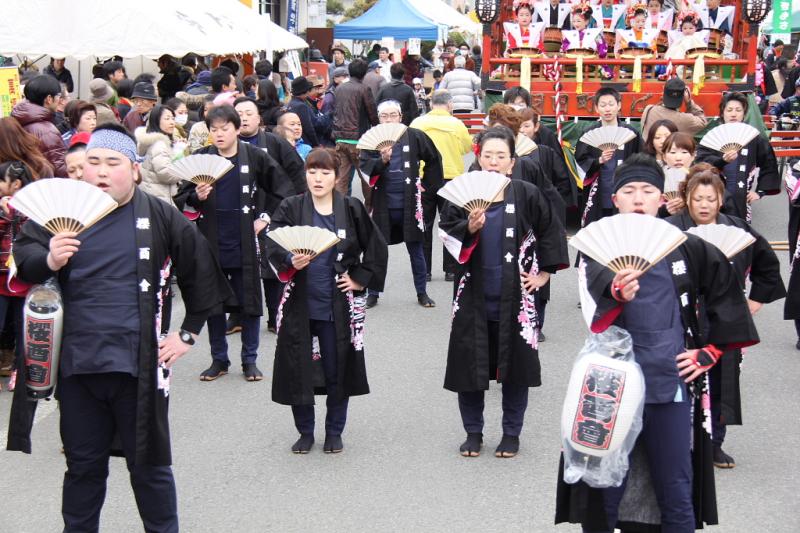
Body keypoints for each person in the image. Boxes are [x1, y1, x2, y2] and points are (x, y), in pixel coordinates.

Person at [8, 123, 232, 533]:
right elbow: (24, 259)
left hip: (139, 365)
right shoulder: (62, 210)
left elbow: (201, 268)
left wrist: (187, 332)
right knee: (82, 468)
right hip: (78, 365)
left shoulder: (159, 213)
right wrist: (51, 260)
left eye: (113, 162)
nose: (101, 171)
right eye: (93, 162)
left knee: (149, 468)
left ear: (134, 170)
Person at [556, 153, 759, 532]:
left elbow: (727, 299)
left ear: (661, 198)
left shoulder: (686, 246)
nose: (638, 198)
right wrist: (617, 289)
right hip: (609, 384)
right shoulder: (599, 246)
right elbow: (595, 294)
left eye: (647, 190)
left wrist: (708, 352)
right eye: (628, 190)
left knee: (675, 486)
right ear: (614, 199)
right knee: (603, 487)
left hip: (669, 380)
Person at [439, 126, 568, 458]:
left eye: (501, 156)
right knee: (470, 368)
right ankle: (473, 432)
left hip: (518, 298)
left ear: (512, 163)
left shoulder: (526, 193)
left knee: (516, 370)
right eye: (488, 155)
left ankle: (511, 433)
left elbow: (551, 230)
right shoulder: (461, 195)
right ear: (478, 158)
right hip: (472, 296)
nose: (494, 162)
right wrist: (468, 227)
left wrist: (544, 274)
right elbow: (447, 239)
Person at [267, 147, 388, 454]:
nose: (318, 179)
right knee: (299, 369)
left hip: (338, 305)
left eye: (325, 172)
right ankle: (305, 432)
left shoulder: (350, 207)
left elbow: (376, 247)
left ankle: (334, 430)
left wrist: (359, 277)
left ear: (337, 176)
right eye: (312, 172)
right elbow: (271, 245)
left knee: (338, 369)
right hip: (300, 303)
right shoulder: (291, 207)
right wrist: (289, 261)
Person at [667, 165, 784, 469]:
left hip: (725, 321)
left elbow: (767, 263)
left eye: (710, 198)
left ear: (721, 200)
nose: (704, 205)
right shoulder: (669, 229)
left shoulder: (738, 229)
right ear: (687, 199)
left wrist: (756, 299)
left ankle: (712, 444)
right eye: (697, 198)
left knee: (722, 383)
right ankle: (677, 443)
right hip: (680, 319)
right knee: (678, 381)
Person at [174, 106, 295, 382]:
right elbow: (181, 199)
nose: (219, 134)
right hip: (210, 240)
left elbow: (283, 190)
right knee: (213, 303)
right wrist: (197, 197)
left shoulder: (253, 156)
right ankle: (219, 359)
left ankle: (249, 360)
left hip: (244, 239)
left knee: (249, 302)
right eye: (213, 129)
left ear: (237, 129)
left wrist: (264, 218)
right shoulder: (201, 158)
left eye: (224, 128)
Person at [358, 100, 443, 309]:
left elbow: (434, 159)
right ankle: (373, 293)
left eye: (392, 115)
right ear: (378, 119)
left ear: (400, 116)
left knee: (417, 247)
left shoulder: (414, 135)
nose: (388, 119)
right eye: (384, 116)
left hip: (410, 202)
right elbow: (366, 169)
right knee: (376, 249)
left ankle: (422, 292)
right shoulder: (371, 140)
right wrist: (383, 160)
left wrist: (426, 186)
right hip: (383, 202)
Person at [410, 90, 473, 281]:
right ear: (450, 105)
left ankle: (426, 270)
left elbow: (411, 149)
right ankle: (451, 269)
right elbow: (466, 148)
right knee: (451, 223)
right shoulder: (456, 124)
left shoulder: (417, 123)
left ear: (431, 105)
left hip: (424, 177)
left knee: (425, 224)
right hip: (450, 177)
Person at [695, 91, 780, 222]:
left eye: (738, 110)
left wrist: (760, 191)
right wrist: (721, 161)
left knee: (741, 234)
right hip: (714, 194)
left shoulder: (753, 137)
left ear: (744, 114)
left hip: (742, 195)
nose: (733, 114)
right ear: (722, 112)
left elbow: (769, 164)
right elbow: (700, 162)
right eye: (729, 110)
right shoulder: (713, 135)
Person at [574, 87, 641, 227]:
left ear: (619, 106)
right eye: (603, 105)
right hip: (599, 189)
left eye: (611, 104)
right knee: (597, 228)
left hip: (624, 188)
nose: (607, 109)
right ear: (597, 108)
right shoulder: (589, 133)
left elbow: (640, 159)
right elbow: (580, 159)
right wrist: (599, 160)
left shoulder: (631, 133)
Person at [0, 161, 32, 385]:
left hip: (23, 275)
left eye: (2, 181)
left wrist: (13, 212)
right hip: (1, 276)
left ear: (16, 184)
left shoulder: (33, 206)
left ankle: (19, 369)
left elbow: (32, 235)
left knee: (24, 326)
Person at [332, 59, 379, 199]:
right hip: (359, 140)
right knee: (366, 177)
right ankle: (369, 208)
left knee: (341, 179)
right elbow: (372, 114)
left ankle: (339, 209)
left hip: (340, 138)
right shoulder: (364, 89)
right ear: (364, 73)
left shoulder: (339, 88)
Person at [11, 75, 67, 176]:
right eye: (59, 96)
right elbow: (60, 169)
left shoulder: (16, 120)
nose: (60, 100)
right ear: (49, 99)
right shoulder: (47, 131)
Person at [135, 104, 183, 208]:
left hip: (152, 195)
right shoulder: (159, 145)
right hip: (160, 198)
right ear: (156, 120)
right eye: (167, 118)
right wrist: (184, 170)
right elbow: (166, 174)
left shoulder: (151, 141)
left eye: (173, 118)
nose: (172, 122)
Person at [641, 78, 707, 139]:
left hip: (648, 150)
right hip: (671, 150)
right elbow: (703, 122)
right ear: (683, 96)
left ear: (664, 93)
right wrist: (689, 102)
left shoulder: (649, 109)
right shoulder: (686, 120)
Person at [287, 77, 321, 148]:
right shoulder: (301, 106)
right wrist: (316, 144)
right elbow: (309, 128)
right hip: (305, 143)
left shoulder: (291, 103)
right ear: (305, 91)